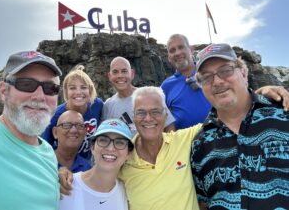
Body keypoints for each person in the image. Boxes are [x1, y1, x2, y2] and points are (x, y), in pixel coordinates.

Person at [60, 86, 289, 210]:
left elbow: (226, 114)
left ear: (165, 114)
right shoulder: (123, 156)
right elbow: (97, 177)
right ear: (134, 116)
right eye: (140, 112)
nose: (148, 118)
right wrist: (62, 172)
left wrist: (257, 92)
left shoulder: (184, 139)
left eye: (156, 111)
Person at [190, 43, 289, 210]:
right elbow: (203, 203)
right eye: (207, 76)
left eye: (226, 70)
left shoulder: (284, 114)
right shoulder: (199, 144)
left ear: (243, 73)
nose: (217, 81)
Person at [161, 34, 289, 130]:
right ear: (168, 57)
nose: (177, 53)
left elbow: (237, 95)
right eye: (172, 50)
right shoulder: (165, 87)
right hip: (194, 151)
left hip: (237, 132)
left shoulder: (279, 119)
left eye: (181, 47)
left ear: (191, 49)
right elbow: (164, 121)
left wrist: (261, 93)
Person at [0, 51, 62, 210]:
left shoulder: (48, 152)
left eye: (50, 88)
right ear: (3, 91)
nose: (40, 96)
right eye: (26, 84)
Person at [59, 118, 134, 210]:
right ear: (92, 147)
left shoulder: (128, 192)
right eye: (103, 140)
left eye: (119, 143)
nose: (110, 148)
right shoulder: (64, 186)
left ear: (129, 154)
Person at [42, 65, 103, 161]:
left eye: (83, 87)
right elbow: (44, 148)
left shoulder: (97, 105)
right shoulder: (55, 116)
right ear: (66, 92)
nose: (78, 92)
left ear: (90, 90)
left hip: (86, 164)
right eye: (72, 88)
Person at [102, 56, 175, 135]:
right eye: (115, 72)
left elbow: (169, 126)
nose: (120, 75)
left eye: (124, 71)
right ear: (109, 76)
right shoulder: (107, 106)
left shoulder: (150, 95)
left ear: (132, 74)